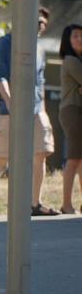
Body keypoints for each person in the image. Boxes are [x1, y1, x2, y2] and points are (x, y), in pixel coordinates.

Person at [0, 8, 58, 217]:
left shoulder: (40, 49)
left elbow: (40, 81)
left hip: (36, 109)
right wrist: (11, 102)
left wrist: (42, 110)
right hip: (9, 110)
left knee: (41, 152)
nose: (40, 26)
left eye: (43, 23)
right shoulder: (5, 43)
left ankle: (34, 203)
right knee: (3, 158)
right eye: (37, 22)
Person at [59, 24, 82, 214]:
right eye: (75, 36)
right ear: (68, 40)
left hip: (78, 110)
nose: (80, 39)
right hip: (72, 111)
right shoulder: (71, 60)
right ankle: (66, 204)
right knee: (73, 159)